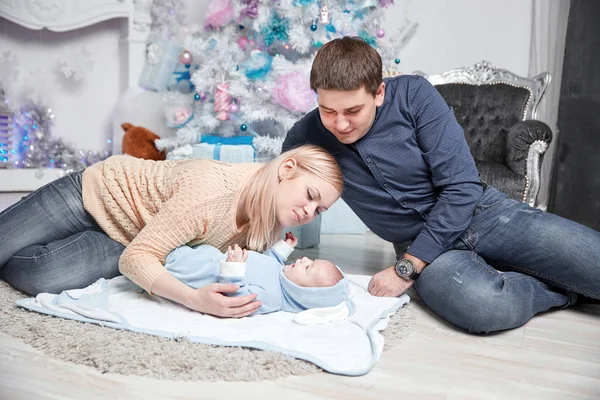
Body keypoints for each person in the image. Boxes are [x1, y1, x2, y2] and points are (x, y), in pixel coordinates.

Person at [281, 36, 600, 333]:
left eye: (353, 111)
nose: (340, 124)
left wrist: (405, 269)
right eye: (327, 110)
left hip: (484, 214)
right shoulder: (305, 136)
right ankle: (564, 291)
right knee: (483, 307)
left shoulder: (414, 94)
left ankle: (557, 273)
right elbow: (271, 193)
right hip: (421, 247)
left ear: (378, 93)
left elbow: (461, 187)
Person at [0, 144, 342, 319]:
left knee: (41, 275)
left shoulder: (268, 225)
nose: (308, 213)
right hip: (97, 193)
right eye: (310, 196)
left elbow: (140, 256)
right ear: (286, 169)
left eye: (319, 210)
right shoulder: (212, 192)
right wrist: (194, 300)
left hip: (128, 237)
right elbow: (141, 259)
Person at [165, 232, 349, 315]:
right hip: (207, 255)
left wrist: (234, 269)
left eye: (308, 268)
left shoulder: (272, 298)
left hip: (193, 272)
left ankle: (159, 258)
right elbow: (269, 263)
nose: (304, 260)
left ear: (303, 293)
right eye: (311, 261)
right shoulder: (281, 275)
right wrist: (282, 249)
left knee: (170, 255)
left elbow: (238, 299)